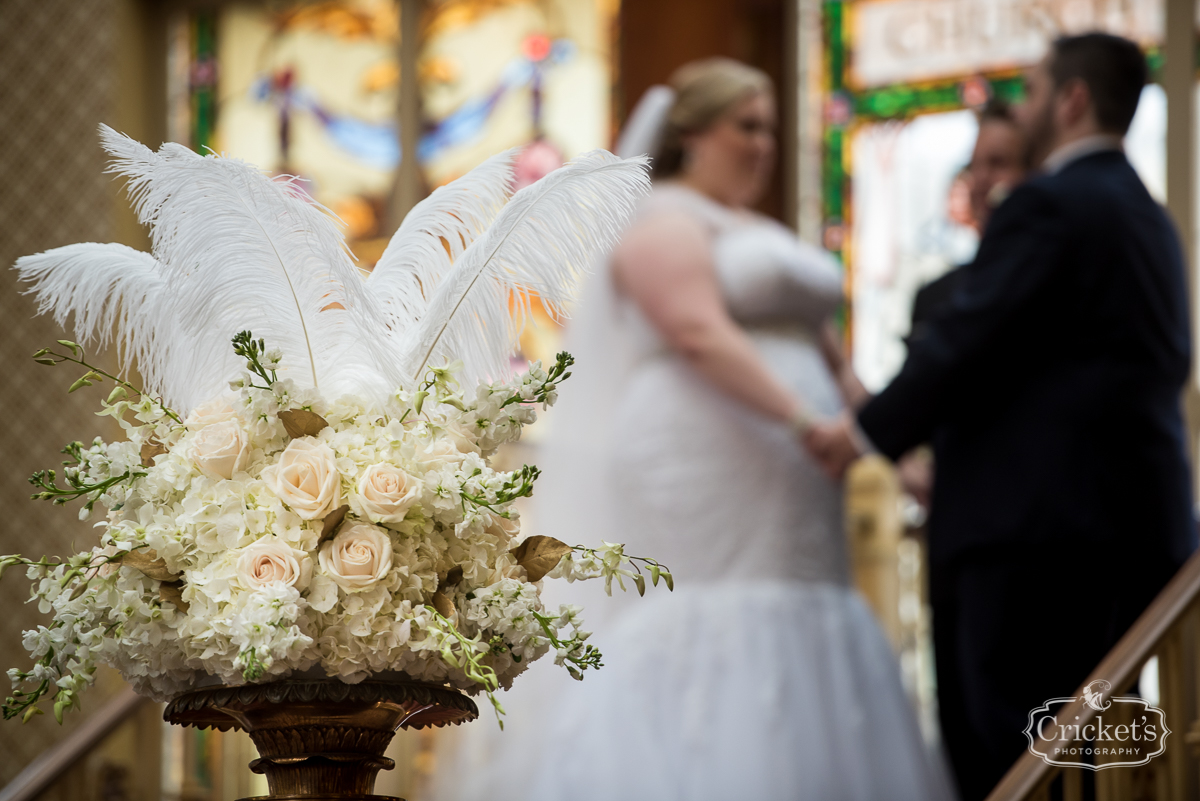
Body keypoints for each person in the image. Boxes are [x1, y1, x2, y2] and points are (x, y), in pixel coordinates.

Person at [432, 58, 954, 801]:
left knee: (805, 600)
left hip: (795, 465)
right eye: (747, 126)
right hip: (706, 454)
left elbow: (834, 362)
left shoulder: (758, 229)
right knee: (713, 608)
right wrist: (803, 420)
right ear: (692, 133)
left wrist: (890, 451)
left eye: (770, 128)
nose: (764, 144)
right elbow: (696, 330)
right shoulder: (661, 219)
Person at [805, 34, 1196, 800]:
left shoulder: (1054, 201)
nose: (1028, 105)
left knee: (1027, 759)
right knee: (1097, 756)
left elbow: (965, 341)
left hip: (1039, 541)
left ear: (1073, 99)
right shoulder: (1146, 214)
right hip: (1128, 527)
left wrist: (859, 434)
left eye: (1037, 89)